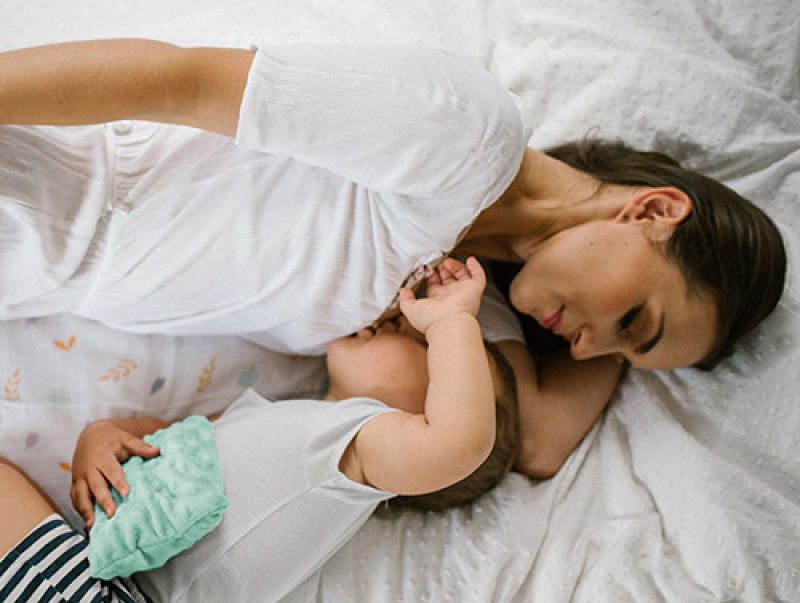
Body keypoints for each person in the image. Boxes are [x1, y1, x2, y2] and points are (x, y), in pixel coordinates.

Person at [0, 39, 786, 478]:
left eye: (612, 354)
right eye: (634, 320)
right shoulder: (465, 135)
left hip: (33, 280)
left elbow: (538, 442)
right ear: (655, 209)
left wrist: (621, 340)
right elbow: (182, 82)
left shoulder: (456, 301)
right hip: (44, 193)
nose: (588, 349)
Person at [0, 257, 520, 603]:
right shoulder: (286, 420)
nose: (402, 319)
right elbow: (168, 443)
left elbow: (460, 442)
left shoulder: (355, 452)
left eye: (424, 344)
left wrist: (452, 323)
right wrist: (101, 436)